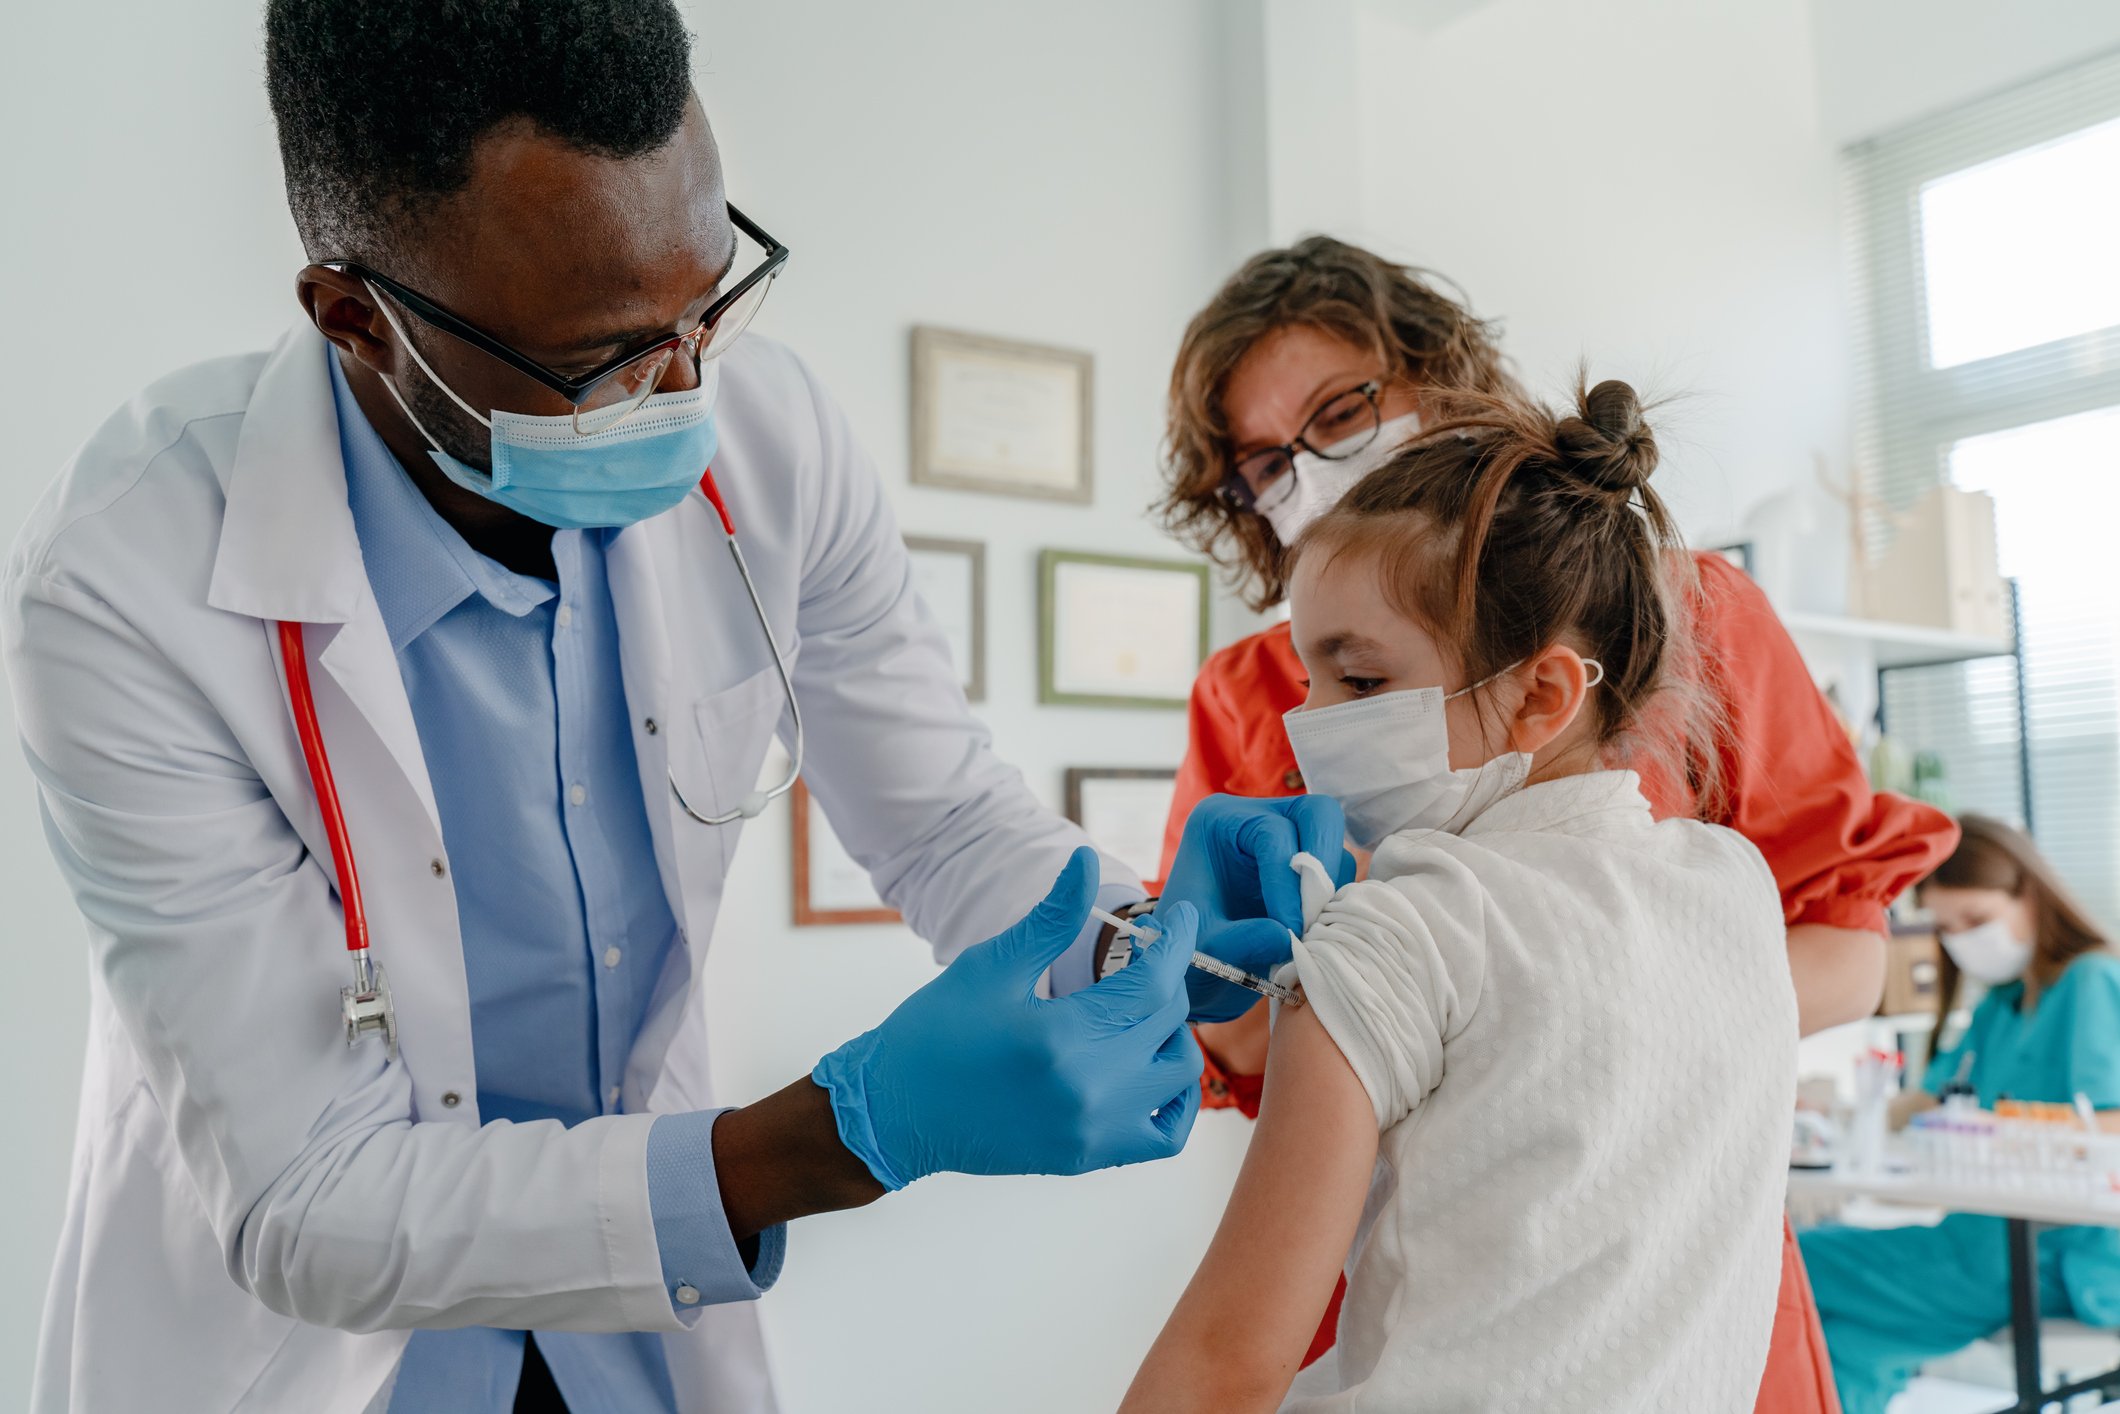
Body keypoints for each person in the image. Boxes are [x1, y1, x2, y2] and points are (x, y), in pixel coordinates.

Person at [0, 6, 1340, 1412]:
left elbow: (944, 819)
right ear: (358, 321)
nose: (690, 382)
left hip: (640, 1346)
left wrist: (1128, 932)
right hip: (316, 1362)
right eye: (608, 354)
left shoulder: (773, 438)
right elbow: (315, 1197)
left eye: (710, 301)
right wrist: (845, 1132)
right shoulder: (133, 567)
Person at [1150, 235, 1961, 1403]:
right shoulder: (1256, 690)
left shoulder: (1682, 618)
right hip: (1400, 1285)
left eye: (1338, 413)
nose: (1307, 471)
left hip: (1682, 1269)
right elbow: (1238, 1058)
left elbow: (1845, 945)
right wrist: (1211, 981)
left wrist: (1543, 1021)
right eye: (1261, 464)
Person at [1121, 380, 1796, 1412]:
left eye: (1356, 682)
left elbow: (1223, 1363)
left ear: (1540, 694)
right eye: (1305, 680)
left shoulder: (1404, 923)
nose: (1309, 728)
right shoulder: (1732, 888)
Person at [1801, 816, 2120, 1414]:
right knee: (1849, 1344)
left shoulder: (2091, 982)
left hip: (2062, 1258)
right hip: (1977, 1240)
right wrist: (1836, 1112)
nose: (1962, 941)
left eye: (1975, 921)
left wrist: (2000, 1132)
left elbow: (2112, 1125)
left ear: (2029, 892)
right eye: (1947, 929)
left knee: (1796, 1259)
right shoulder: (2002, 1005)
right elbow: (1928, 1099)